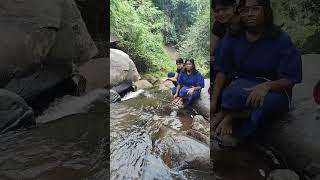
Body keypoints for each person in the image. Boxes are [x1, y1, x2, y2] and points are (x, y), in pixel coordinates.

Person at [212, 0, 302, 138]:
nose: (250, 14)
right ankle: (229, 114)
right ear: (240, 13)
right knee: (230, 93)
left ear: (265, 11)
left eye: (255, 9)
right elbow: (222, 70)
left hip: (275, 90)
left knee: (264, 103)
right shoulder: (233, 36)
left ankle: (233, 119)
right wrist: (213, 103)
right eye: (245, 10)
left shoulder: (281, 38)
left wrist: (267, 86)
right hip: (243, 85)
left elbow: (291, 78)